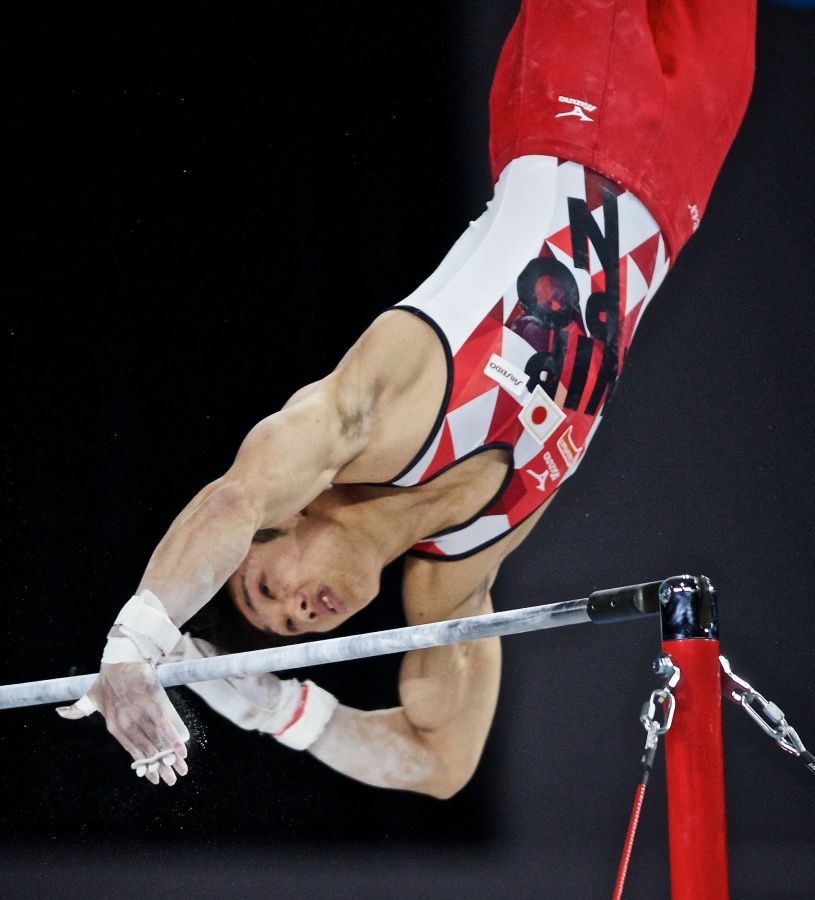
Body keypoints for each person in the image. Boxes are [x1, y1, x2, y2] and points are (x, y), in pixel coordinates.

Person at [57, 0, 756, 795]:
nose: (300, 615)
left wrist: (134, 642)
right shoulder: (454, 576)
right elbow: (441, 764)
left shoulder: (361, 421)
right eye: (291, 629)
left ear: (286, 518)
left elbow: (231, 501)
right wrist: (278, 709)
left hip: (578, 102)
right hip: (681, 180)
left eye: (265, 590)